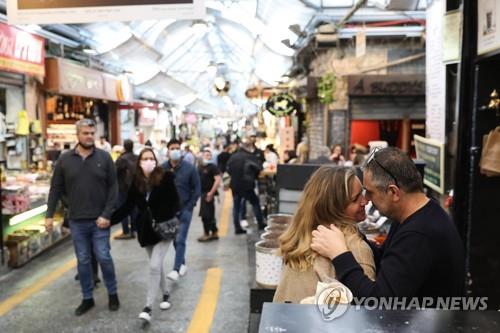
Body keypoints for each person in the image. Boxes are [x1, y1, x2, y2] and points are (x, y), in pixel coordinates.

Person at [311, 147, 465, 300]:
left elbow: (380, 301)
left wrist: (339, 254)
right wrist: (351, 238)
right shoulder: (417, 215)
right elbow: (387, 258)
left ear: (393, 192)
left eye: (370, 192)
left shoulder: (419, 235)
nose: (367, 200)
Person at [45, 118, 119, 316]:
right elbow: (56, 188)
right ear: (77, 135)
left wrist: (106, 214)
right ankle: (87, 298)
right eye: (85, 133)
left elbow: (114, 188)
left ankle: (113, 293)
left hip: (99, 220)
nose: (89, 136)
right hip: (77, 220)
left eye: (91, 133)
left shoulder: (104, 157)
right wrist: (49, 215)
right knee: (83, 260)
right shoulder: (64, 159)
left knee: (103, 256)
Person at [273, 166, 375, 303]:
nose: (365, 201)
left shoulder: (299, 240)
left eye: (362, 193)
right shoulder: (356, 247)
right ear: (334, 208)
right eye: (356, 199)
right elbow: (370, 307)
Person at [112, 148, 180, 322]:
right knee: (156, 266)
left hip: (164, 230)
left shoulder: (166, 178)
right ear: (139, 162)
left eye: (151, 158)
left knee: (154, 266)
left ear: (156, 161)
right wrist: (109, 220)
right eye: (145, 159)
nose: (148, 161)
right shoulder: (136, 182)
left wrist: (165, 215)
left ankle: (148, 307)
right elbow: (127, 206)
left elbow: (175, 202)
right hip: (147, 231)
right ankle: (165, 294)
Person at [161, 139, 201, 281]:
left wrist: (190, 205)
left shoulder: (189, 168)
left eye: (177, 148)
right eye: (172, 148)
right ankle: (182, 263)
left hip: (185, 210)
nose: (175, 150)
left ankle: (176, 269)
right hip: (169, 212)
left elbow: (197, 188)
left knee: (180, 238)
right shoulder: (162, 169)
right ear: (168, 151)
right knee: (175, 240)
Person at [227, 137, 266, 233]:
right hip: (246, 185)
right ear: (249, 147)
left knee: (236, 206)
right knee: (255, 203)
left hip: (235, 184)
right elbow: (258, 168)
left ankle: (237, 228)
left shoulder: (233, 156)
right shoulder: (250, 157)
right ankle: (260, 223)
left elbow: (228, 169)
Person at [114, 139, 139, 240]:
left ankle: (126, 231)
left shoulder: (121, 159)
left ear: (124, 147)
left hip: (123, 188)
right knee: (133, 209)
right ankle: (134, 229)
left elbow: (114, 173)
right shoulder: (137, 158)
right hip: (135, 187)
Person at [197, 148, 222, 242]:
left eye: (209, 155)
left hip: (208, 193)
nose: (208, 156)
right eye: (206, 155)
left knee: (206, 215)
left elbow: (218, 180)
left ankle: (207, 233)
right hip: (203, 193)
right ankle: (214, 232)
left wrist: (211, 193)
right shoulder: (200, 167)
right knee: (209, 214)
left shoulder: (213, 167)